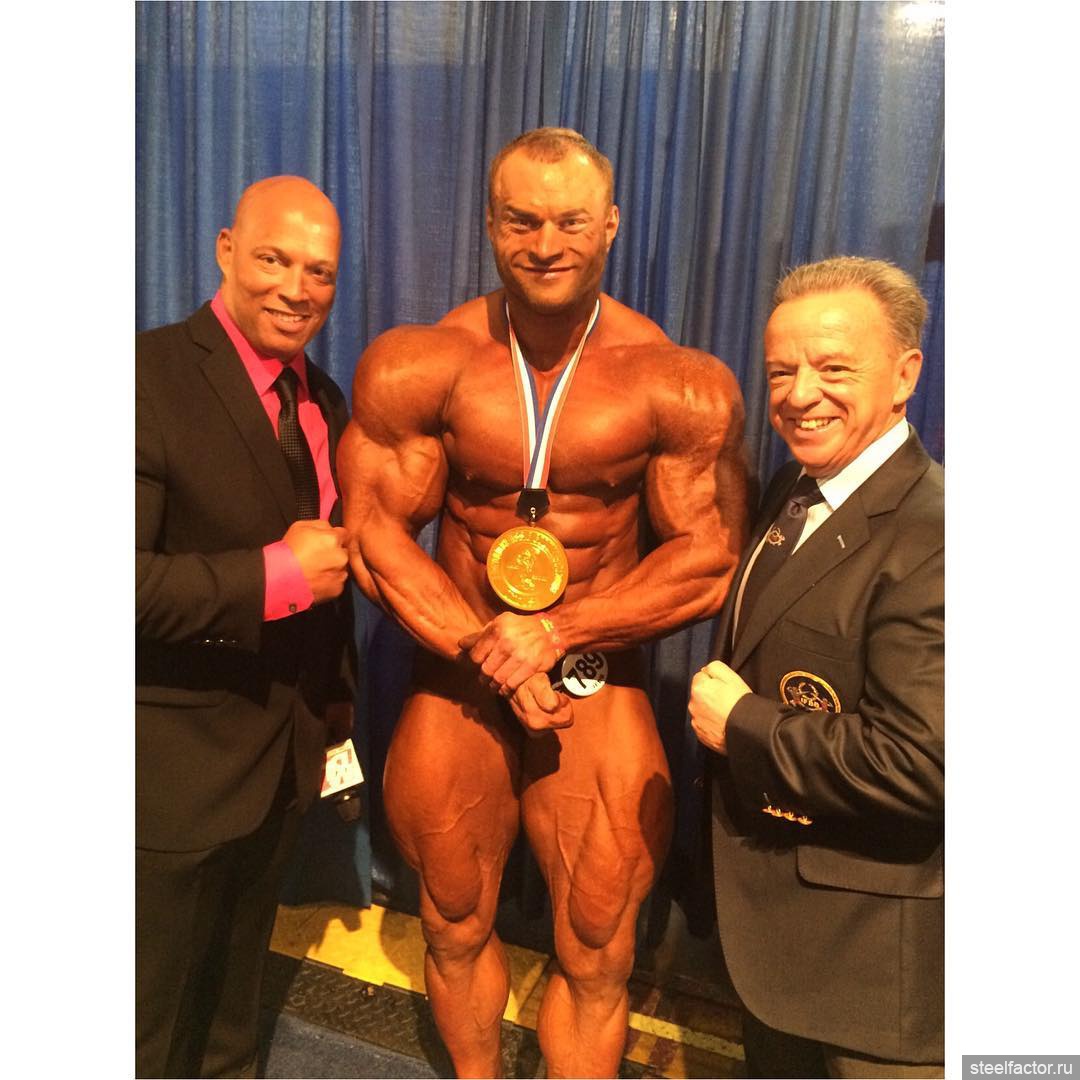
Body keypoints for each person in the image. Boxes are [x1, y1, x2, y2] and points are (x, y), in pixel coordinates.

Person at [339, 128, 747, 1078]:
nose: (546, 242)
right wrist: (488, 648)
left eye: (570, 220)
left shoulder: (673, 380)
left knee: (599, 943)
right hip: (461, 667)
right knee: (450, 916)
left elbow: (708, 558)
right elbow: (374, 533)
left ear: (610, 225)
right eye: (522, 220)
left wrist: (556, 631)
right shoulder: (421, 362)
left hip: (593, 671)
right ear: (491, 225)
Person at [689, 256, 944, 1078]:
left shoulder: (940, 536)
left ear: (905, 374)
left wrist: (743, 725)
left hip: (869, 982)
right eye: (780, 371)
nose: (801, 395)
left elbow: (924, 765)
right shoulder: (794, 491)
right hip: (782, 949)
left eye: (834, 369)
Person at [136, 175, 355, 1078]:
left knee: (231, 1020)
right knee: (141, 1026)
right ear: (226, 250)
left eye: (320, 271)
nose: (297, 289)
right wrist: (274, 577)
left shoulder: (325, 399)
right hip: (166, 774)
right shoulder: (141, 377)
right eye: (274, 259)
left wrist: (335, 709)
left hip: (281, 765)